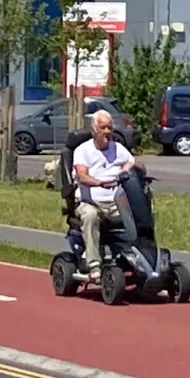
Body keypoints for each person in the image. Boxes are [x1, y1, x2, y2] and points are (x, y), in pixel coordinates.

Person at [72, 109, 136, 282]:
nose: (107, 132)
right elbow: (82, 176)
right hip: (89, 201)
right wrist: (100, 183)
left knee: (139, 213)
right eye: (103, 128)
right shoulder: (82, 150)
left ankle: (137, 259)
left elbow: (133, 162)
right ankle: (94, 265)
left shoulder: (118, 148)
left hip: (116, 202)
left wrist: (126, 170)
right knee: (90, 215)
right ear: (94, 129)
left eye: (110, 128)